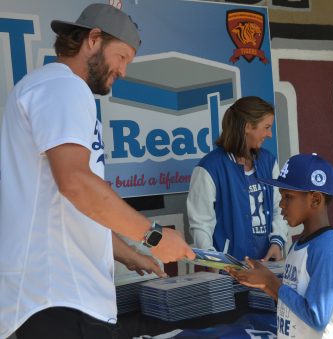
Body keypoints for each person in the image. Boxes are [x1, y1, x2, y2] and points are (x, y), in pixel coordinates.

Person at [0, 4, 194, 338]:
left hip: (59, 299)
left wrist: (130, 255)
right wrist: (154, 236)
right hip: (60, 298)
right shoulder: (64, 87)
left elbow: (76, 207)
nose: (123, 71)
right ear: (93, 39)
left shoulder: (48, 87)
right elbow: (76, 183)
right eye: (122, 57)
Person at [227, 153, 333, 339]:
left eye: (288, 196)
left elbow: (317, 317)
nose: (281, 204)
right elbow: (291, 299)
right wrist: (262, 282)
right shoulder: (299, 244)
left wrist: (271, 282)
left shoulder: (327, 248)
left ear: (315, 199)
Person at [187, 96, 288, 261]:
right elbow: (200, 224)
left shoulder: (269, 162)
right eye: (267, 127)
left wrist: (277, 243)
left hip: (266, 265)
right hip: (229, 269)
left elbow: (280, 207)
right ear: (248, 126)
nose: (269, 134)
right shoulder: (209, 167)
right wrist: (213, 262)